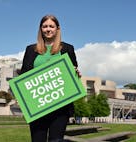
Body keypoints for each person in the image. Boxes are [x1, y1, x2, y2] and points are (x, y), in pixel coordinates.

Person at [20, 14, 81, 142]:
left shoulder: (67, 49)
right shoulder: (31, 50)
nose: (48, 29)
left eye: (51, 26)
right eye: (45, 26)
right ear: (40, 29)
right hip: (38, 106)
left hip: (60, 107)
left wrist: (76, 74)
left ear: (57, 29)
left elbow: (73, 76)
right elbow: (24, 75)